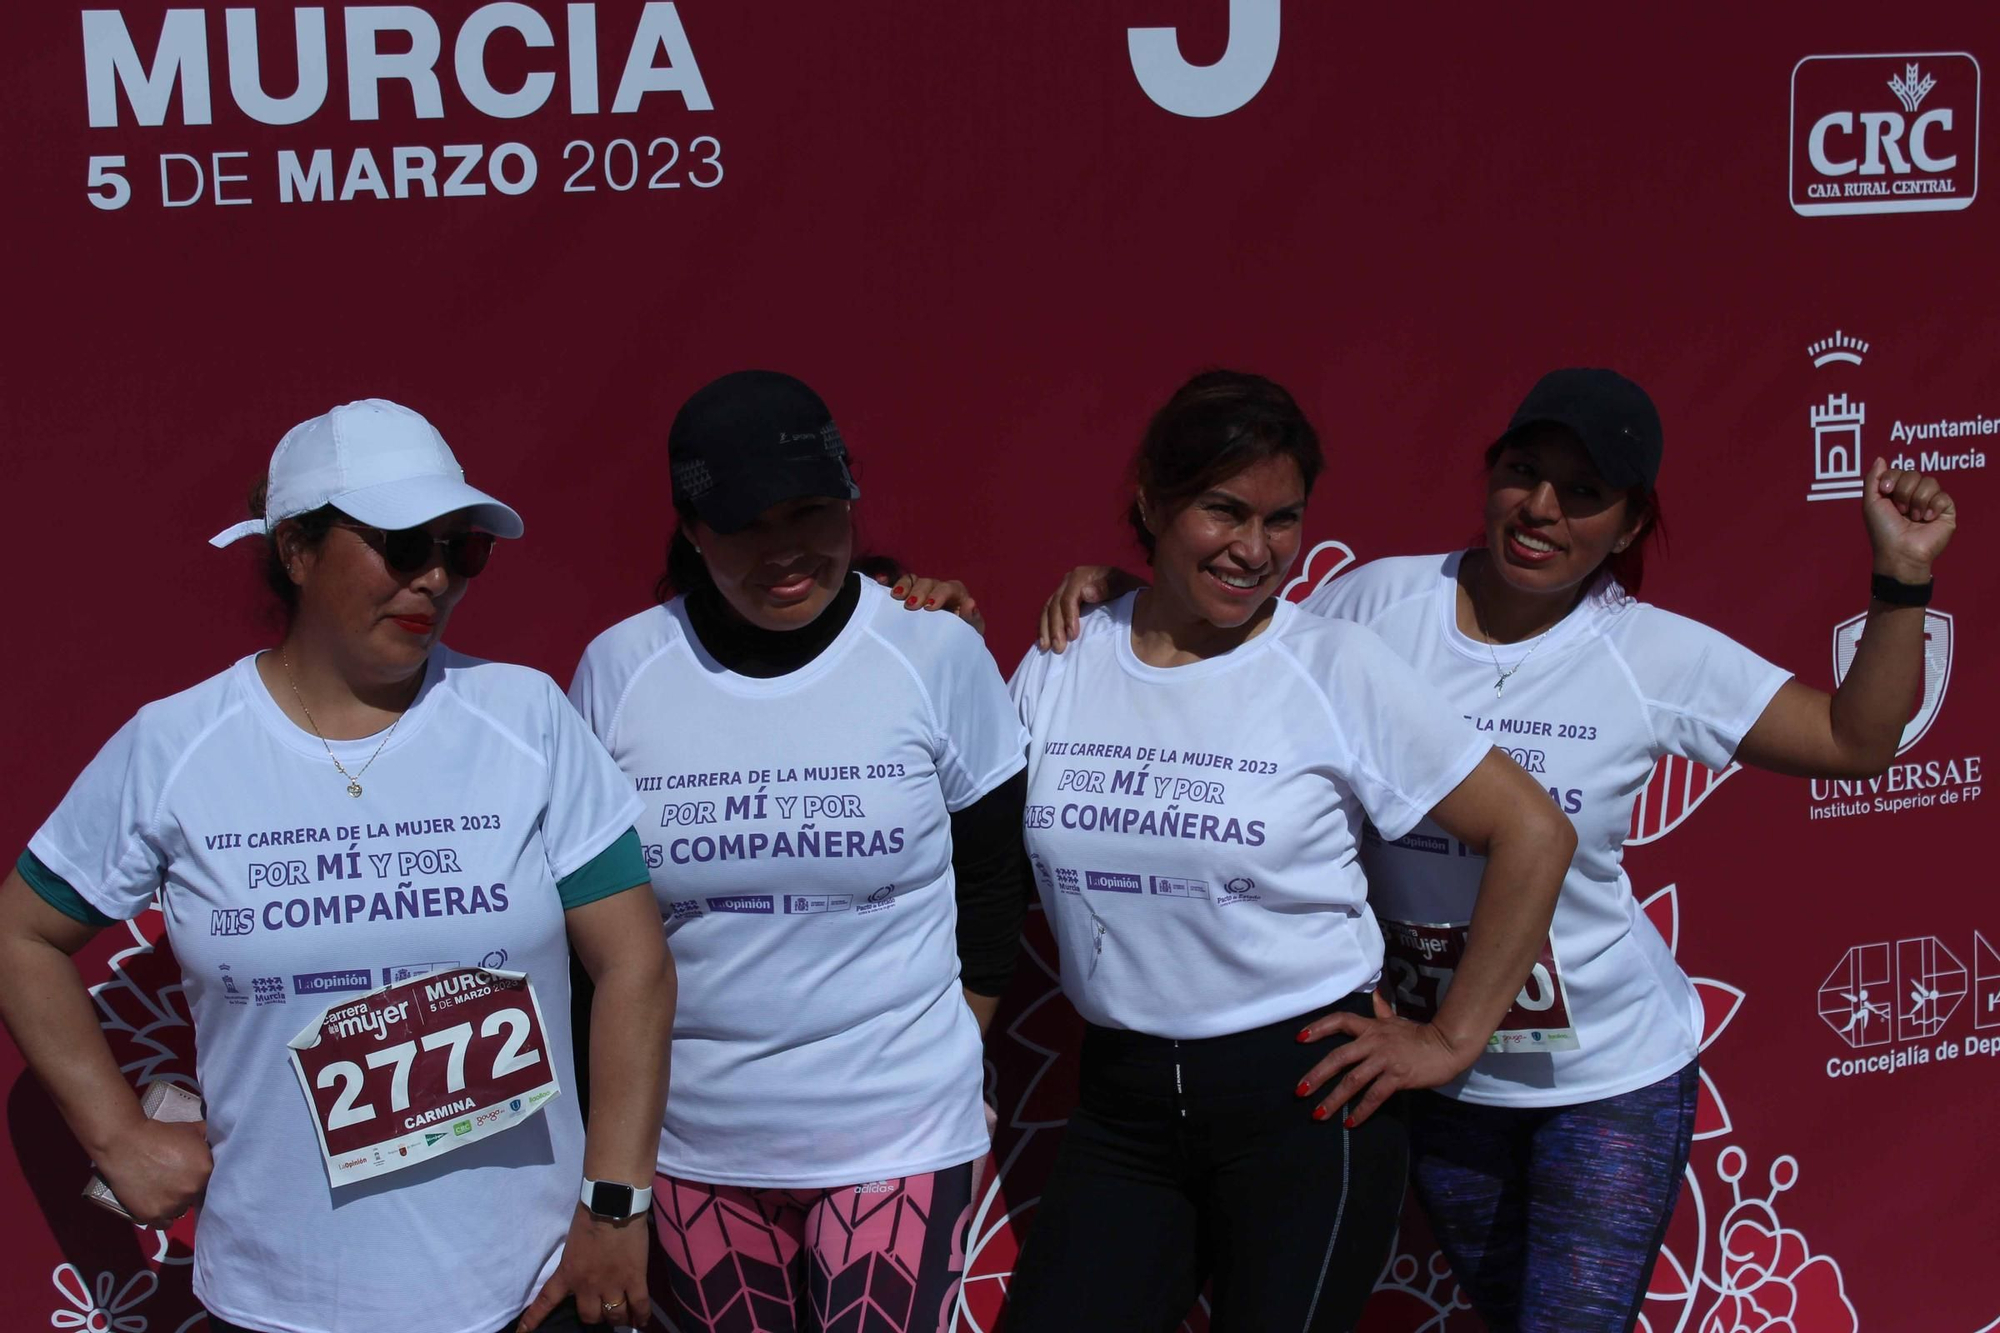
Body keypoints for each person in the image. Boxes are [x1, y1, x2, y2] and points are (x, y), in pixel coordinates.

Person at [1019, 367, 1959, 1331]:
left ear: (1630, 527)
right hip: (1441, 1089)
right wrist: (1125, 598)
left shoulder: (1653, 657)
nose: (1541, 509)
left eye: (1584, 493)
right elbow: (1245, 643)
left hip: (1601, 1078)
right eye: (1523, 471)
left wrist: (1903, 579)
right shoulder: (1375, 603)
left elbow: (1856, 741)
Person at [0, 399, 674, 1333]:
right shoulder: (178, 748)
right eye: (402, 545)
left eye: (461, 548)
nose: (435, 578)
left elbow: (635, 965)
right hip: (281, 1303)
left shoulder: (525, 720)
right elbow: (21, 932)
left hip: (526, 1293)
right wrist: (115, 1134)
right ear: (296, 550)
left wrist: (615, 1209)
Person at [986, 370, 1573, 1333]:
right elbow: (990, 869)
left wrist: (1449, 1037)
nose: (1256, 550)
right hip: (1122, 1111)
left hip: (1304, 1103)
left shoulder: (1332, 665)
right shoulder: (1065, 656)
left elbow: (1534, 831)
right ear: (1150, 497)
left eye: (1283, 519)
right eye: (1224, 510)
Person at [567, 370, 1031, 1333]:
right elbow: (592, 940)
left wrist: (950, 1053)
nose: (784, 552)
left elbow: (994, 878)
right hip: (691, 1143)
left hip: (898, 1132)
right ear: (692, 530)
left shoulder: (934, 651)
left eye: (811, 512)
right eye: (744, 524)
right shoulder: (621, 669)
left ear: (851, 500)